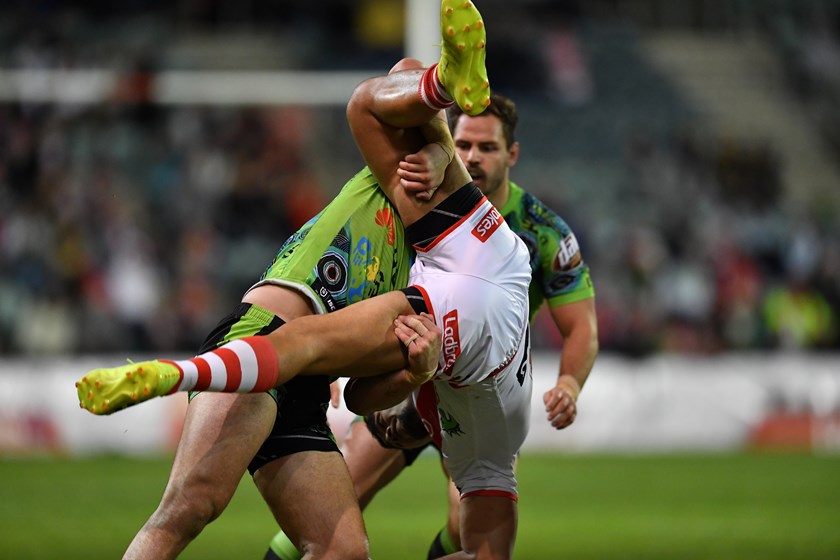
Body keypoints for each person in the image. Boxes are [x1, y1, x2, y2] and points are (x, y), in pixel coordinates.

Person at [77, 2, 533, 559]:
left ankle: (182, 374)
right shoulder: (401, 172)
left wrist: (416, 373)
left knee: (343, 552)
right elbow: (400, 76)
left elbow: (365, 399)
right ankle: (176, 374)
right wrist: (437, 148)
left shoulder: (425, 282)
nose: (464, 160)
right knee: (190, 508)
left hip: (310, 386)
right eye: (460, 147)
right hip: (265, 333)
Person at [264, 93, 599, 560]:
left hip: (479, 390)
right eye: (462, 145)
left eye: (487, 148)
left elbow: (581, 324)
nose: (473, 157)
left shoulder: (543, 232)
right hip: (410, 374)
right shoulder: (424, 197)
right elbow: (376, 279)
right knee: (335, 505)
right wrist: (335, 360)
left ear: (512, 155)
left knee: (466, 527)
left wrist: (569, 381)